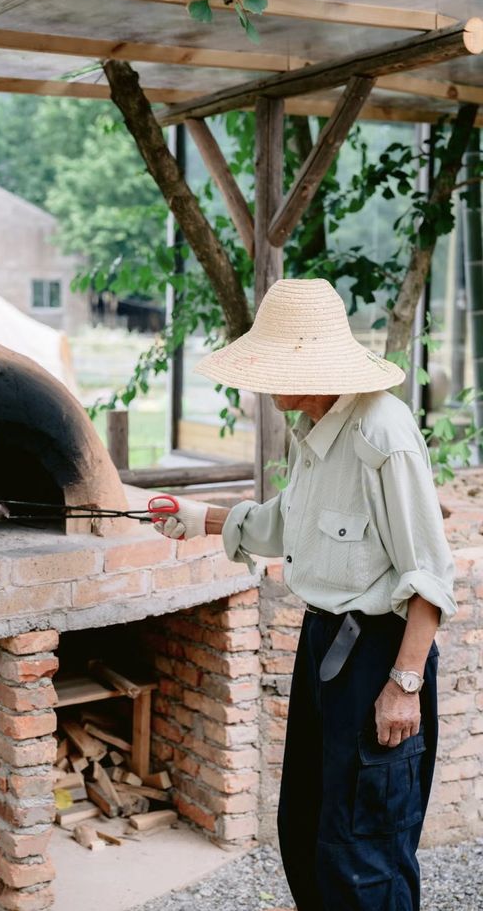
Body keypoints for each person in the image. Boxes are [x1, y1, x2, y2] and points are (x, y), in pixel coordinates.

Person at [150, 278, 455, 911]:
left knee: (364, 848)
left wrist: (403, 687)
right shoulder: (315, 428)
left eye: (273, 366)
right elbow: (284, 522)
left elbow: (430, 573)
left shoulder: (382, 434)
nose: (261, 384)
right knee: (305, 827)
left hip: (381, 655)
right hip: (323, 647)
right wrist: (196, 515)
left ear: (314, 366)